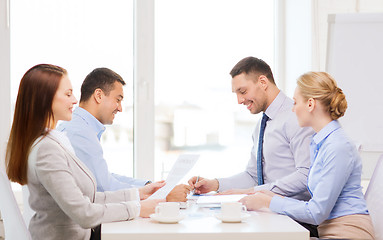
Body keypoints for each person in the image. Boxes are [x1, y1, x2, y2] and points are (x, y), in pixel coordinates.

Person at [5, 64, 163, 240]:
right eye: (67, 94)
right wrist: (138, 208)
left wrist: (140, 193)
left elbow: (90, 197)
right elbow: (84, 212)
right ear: (45, 98)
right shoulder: (46, 149)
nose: (74, 100)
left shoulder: (56, 140)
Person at [239, 72, 375, 239]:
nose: (293, 109)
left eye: (295, 102)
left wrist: (269, 202)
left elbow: (316, 212)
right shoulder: (320, 143)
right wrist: (272, 197)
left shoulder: (338, 146)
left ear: (310, 104)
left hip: (347, 232)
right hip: (329, 230)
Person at [57, 68, 191, 202]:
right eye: (118, 99)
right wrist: (161, 195)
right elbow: (104, 187)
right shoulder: (79, 132)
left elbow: (104, 177)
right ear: (98, 95)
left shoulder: (81, 127)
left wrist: (148, 186)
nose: (120, 108)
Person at [189, 57, 313, 201]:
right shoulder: (261, 125)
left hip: (295, 217)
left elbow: (307, 174)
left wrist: (254, 192)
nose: (239, 100)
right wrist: (215, 184)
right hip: (270, 212)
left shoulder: (296, 116)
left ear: (263, 82)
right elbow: (253, 176)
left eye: (242, 91)